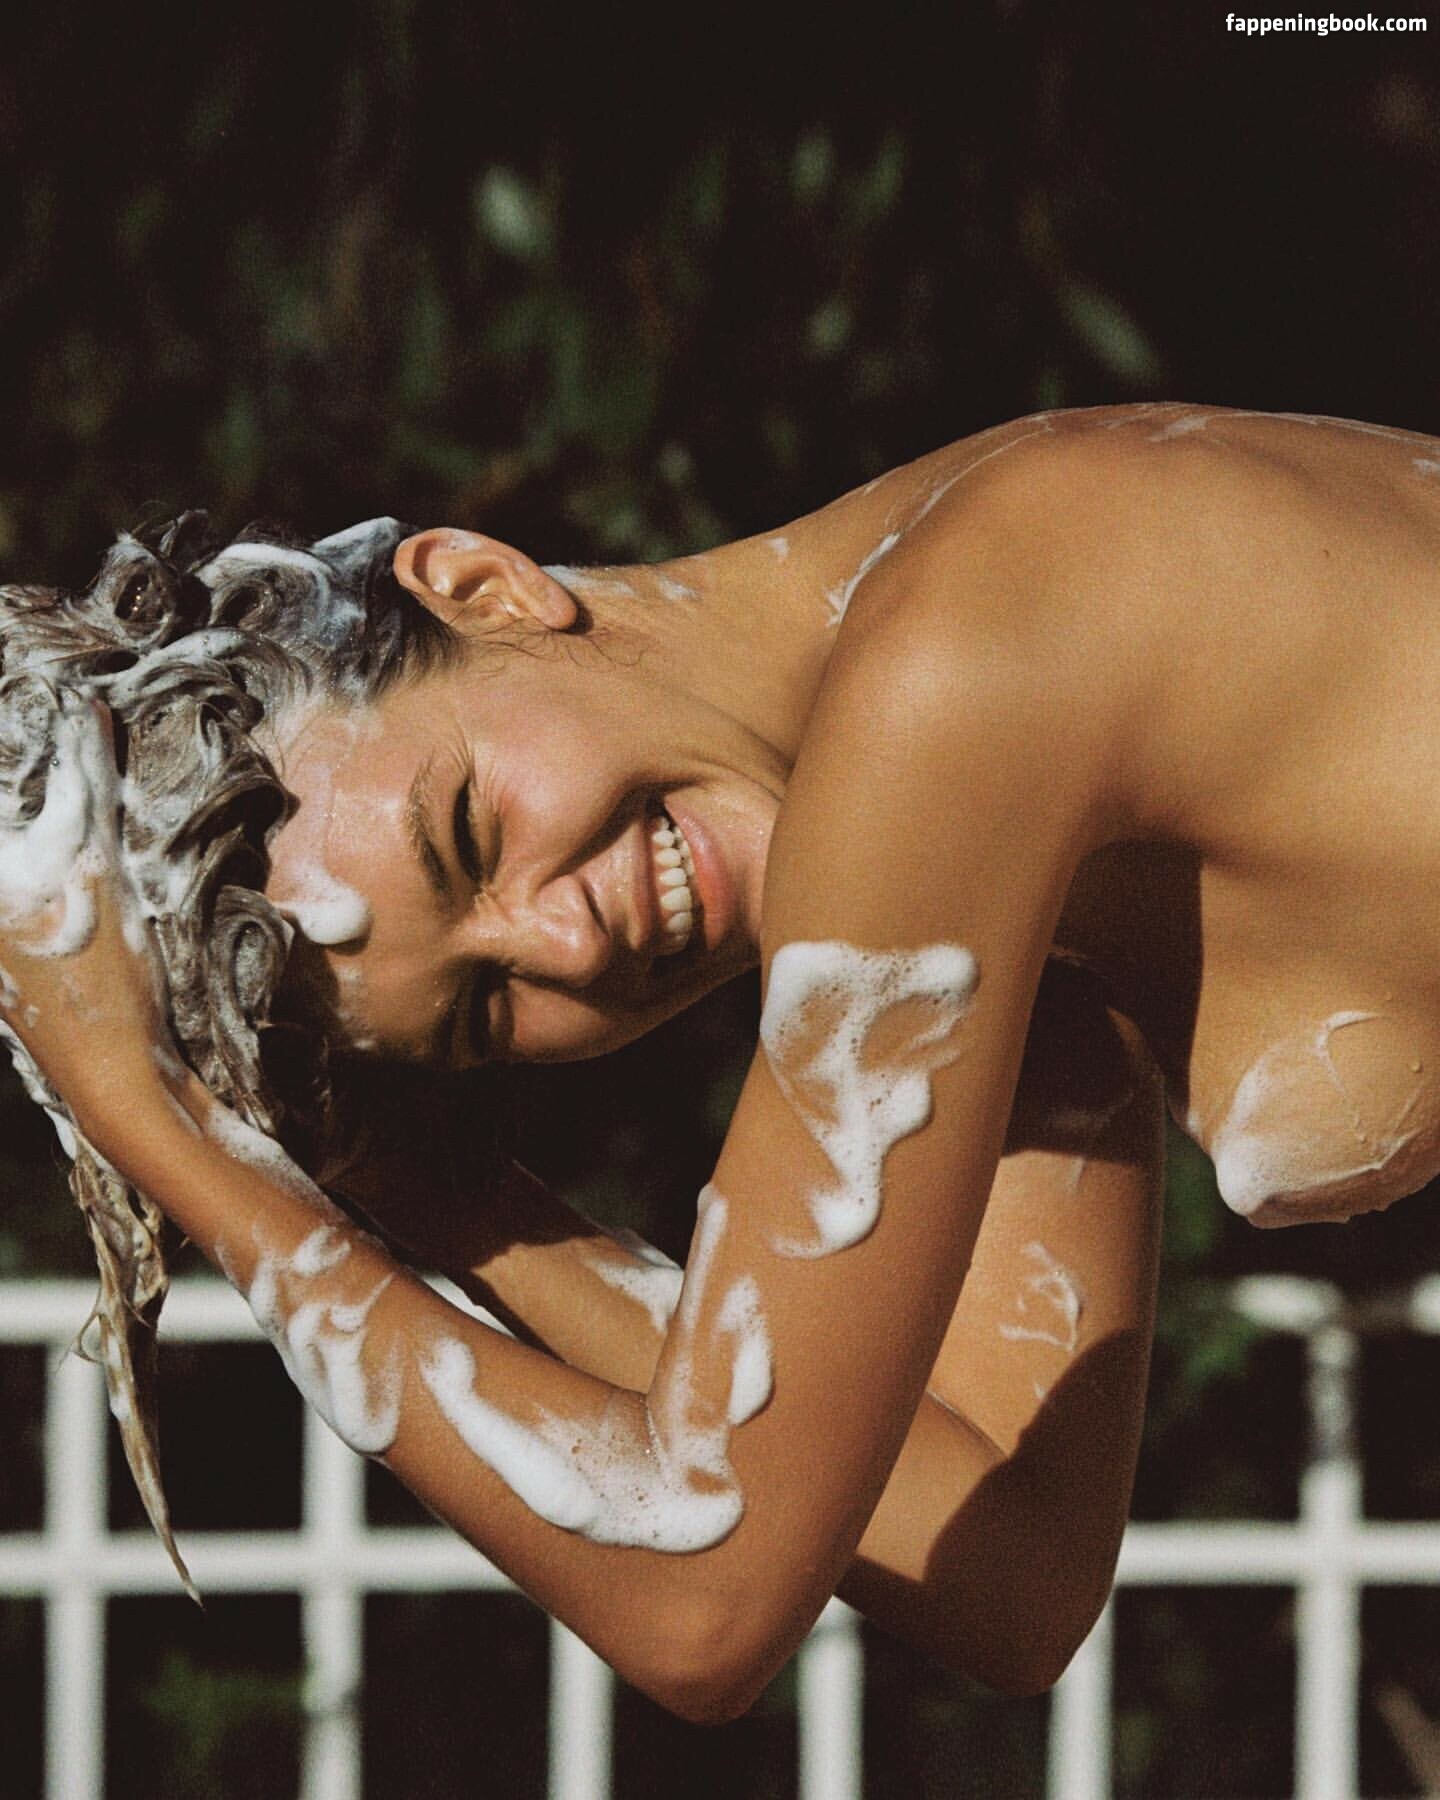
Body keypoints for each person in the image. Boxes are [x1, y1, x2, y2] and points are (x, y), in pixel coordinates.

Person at [5, 399, 1432, 1720]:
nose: (568, 943)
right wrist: (432, 1194)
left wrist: (159, 1126)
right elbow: (1014, 1564)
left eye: (470, 833)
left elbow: (706, 1606)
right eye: (482, 1011)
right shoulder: (998, 835)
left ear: (484, 586)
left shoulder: (957, 674)